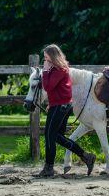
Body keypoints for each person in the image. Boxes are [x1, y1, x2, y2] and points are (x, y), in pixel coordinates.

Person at [37, 44, 95, 177]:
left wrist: (45, 71)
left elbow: (48, 87)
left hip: (60, 106)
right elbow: (57, 89)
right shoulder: (56, 68)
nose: (44, 61)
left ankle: (49, 168)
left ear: (53, 57)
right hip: (59, 105)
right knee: (57, 137)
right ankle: (86, 156)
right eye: (44, 58)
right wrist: (51, 103)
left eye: (46, 58)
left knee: (49, 135)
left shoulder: (60, 69)